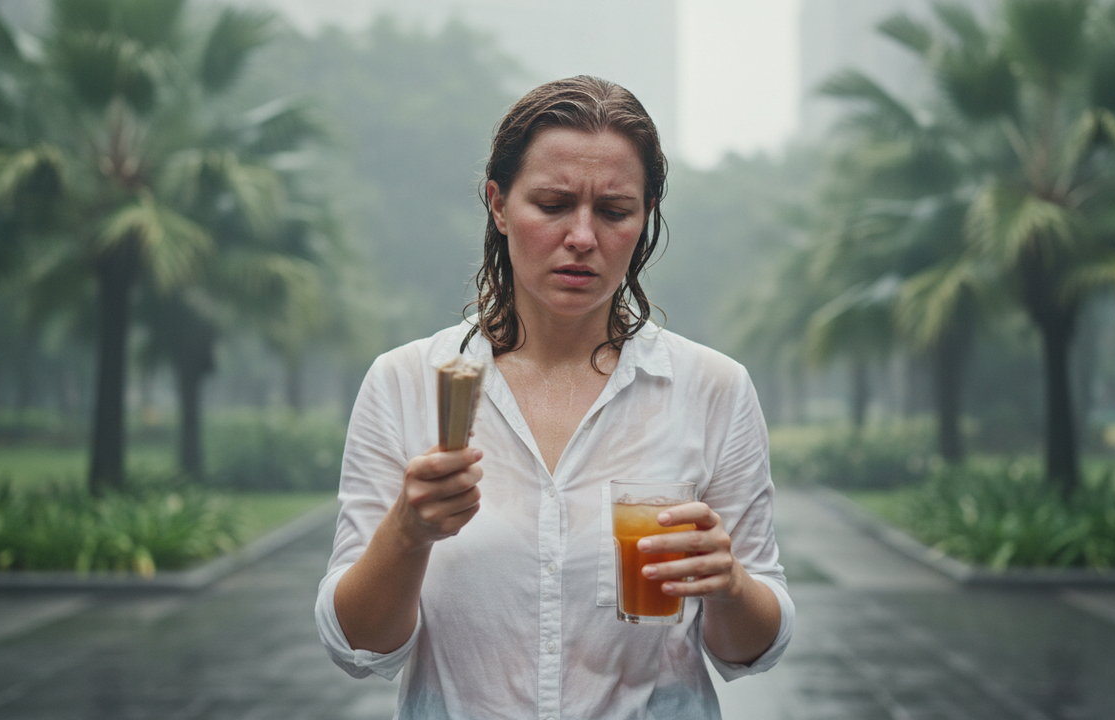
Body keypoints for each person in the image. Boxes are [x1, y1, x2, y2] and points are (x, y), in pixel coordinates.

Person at [316, 75, 794, 720]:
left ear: (646, 215)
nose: (582, 237)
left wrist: (731, 584)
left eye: (615, 211)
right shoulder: (406, 381)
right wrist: (408, 530)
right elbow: (359, 648)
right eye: (552, 204)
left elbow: (752, 651)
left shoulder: (712, 388)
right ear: (498, 204)